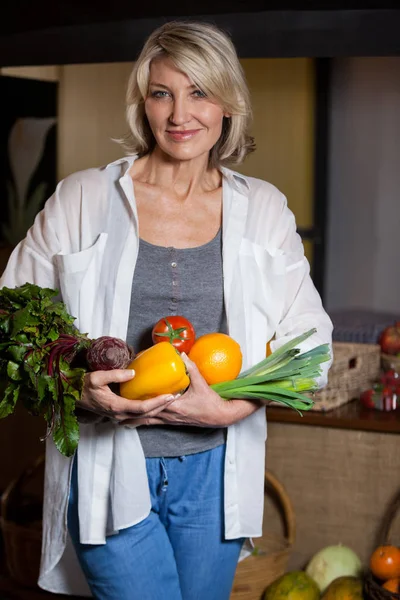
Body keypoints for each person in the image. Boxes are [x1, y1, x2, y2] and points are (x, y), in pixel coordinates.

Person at [0, 20, 333, 600]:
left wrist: (231, 410)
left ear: (228, 102)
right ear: (143, 103)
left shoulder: (263, 211)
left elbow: (313, 344)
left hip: (215, 475)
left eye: (199, 92)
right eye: (163, 93)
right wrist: (76, 388)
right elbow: (9, 319)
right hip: (106, 467)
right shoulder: (85, 197)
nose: (180, 114)